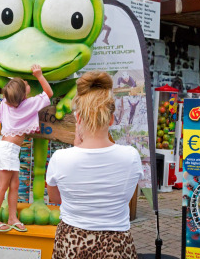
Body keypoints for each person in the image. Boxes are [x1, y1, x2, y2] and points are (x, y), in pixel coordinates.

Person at [46, 71, 143, 258]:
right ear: (112, 118)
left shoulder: (61, 158)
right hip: (117, 244)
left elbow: (57, 198)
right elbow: (124, 197)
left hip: (72, 241)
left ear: (78, 119)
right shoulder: (130, 156)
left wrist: (77, 149)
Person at [0, 64, 53, 232]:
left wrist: (5, 104)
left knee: (14, 184)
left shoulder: (5, 104)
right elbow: (49, 93)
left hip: (8, 148)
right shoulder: (29, 104)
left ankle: (12, 217)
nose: (28, 83)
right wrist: (39, 75)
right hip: (8, 150)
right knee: (3, 185)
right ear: (24, 94)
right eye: (26, 84)